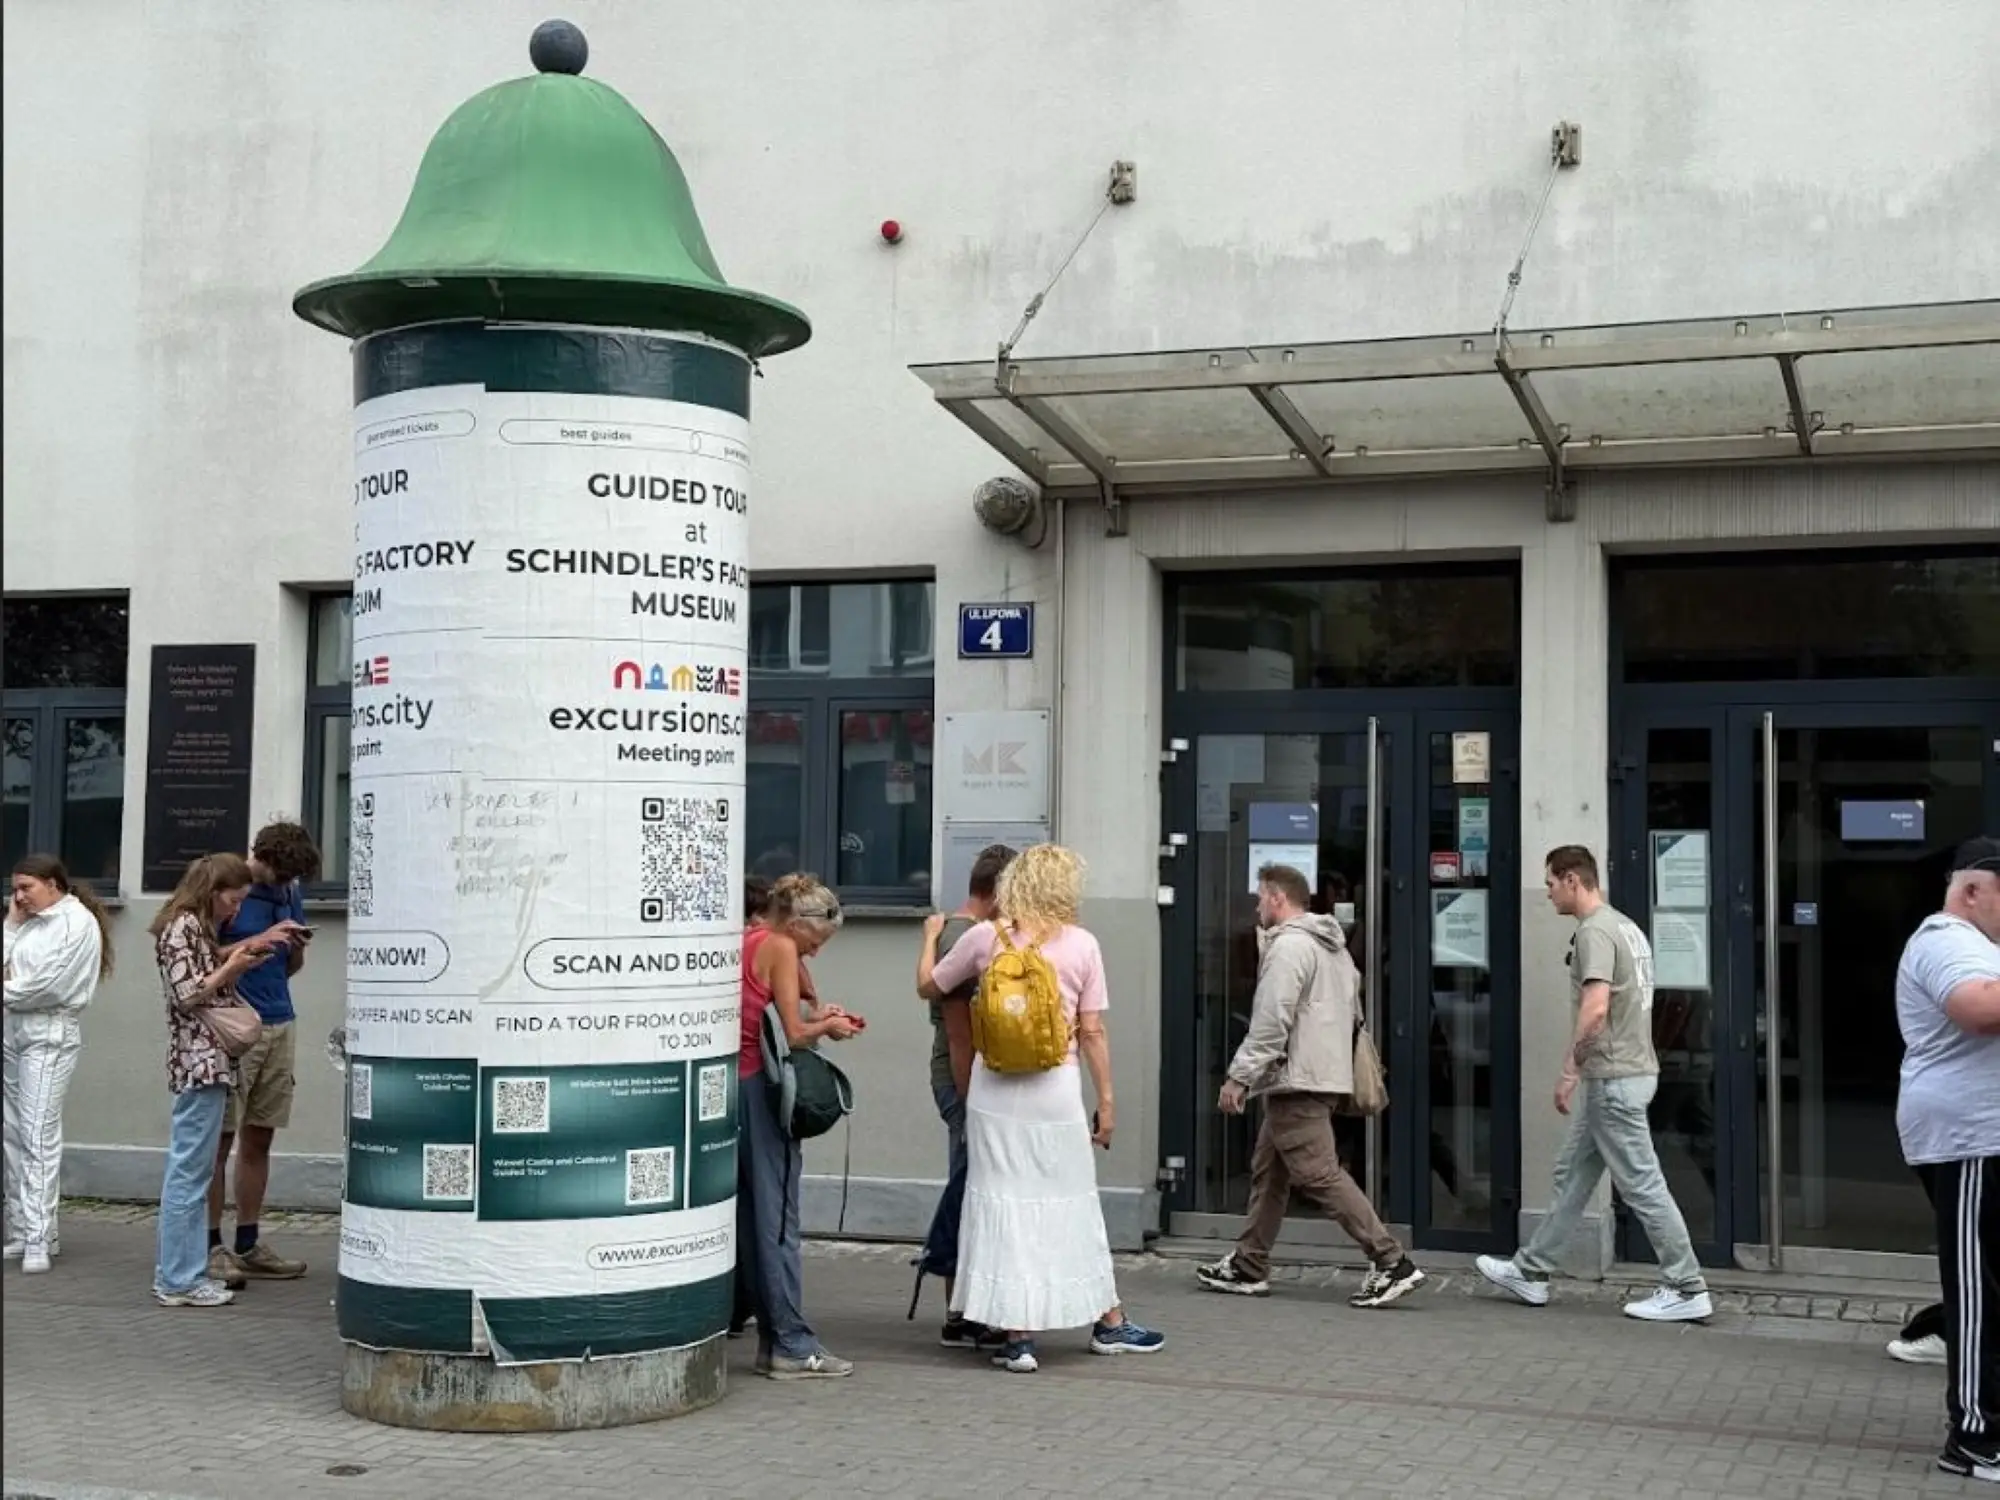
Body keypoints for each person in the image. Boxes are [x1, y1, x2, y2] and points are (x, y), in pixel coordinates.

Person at [919, 843, 1166, 1374]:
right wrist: (1107, 1102)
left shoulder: (986, 938)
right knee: (1071, 1204)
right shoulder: (1082, 944)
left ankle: (1018, 1338)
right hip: (1055, 1091)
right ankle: (1109, 1322)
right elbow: (1093, 1032)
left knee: (1003, 1205)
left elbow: (929, 988)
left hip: (993, 1091)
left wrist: (928, 939)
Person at [1477, 845, 1712, 1323]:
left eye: (1550, 883)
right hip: (1625, 1073)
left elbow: (1597, 1007)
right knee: (1573, 1174)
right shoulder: (1625, 927)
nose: (1547, 893)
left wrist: (1570, 1070)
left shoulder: (1595, 932)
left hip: (1614, 1079)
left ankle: (1687, 1285)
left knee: (1642, 1184)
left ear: (1572, 880)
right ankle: (1531, 1271)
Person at [1196, 864, 1426, 1306]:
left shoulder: (1289, 947)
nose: (1257, 907)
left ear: (1277, 898)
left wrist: (1239, 1077)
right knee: (1270, 1171)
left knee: (1318, 1173)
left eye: (1260, 898)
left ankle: (1391, 1261)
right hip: (1318, 1074)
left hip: (1297, 1078)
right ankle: (1248, 1263)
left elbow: (1271, 1020)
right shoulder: (1333, 948)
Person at [1893, 836, 2000, 1482]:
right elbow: (1978, 1009)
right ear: (1973, 891)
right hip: (1969, 1141)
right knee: (1979, 1290)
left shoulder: (1982, 946)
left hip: (1987, 1139)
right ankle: (1976, 1437)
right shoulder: (1944, 940)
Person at [738, 873, 860, 1378]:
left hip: (736, 1085)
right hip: (762, 1090)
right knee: (778, 1220)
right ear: (796, 923)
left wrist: (817, 1015)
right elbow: (792, 1035)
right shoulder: (781, 946)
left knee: (753, 1216)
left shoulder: (748, 937)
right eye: (817, 939)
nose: (816, 950)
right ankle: (789, 1342)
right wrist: (828, 1026)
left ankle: (774, 1337)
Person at [150, 854, 279, 1308]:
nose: (236, 910)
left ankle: (183, 1274)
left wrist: (234, 958)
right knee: (189, 1172)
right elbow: (187, 994)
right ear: (211, 891)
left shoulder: (190, 926)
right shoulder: (183, 925)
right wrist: (232, 968)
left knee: (194, 1170)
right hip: (199, 1059)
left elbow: (194, 973)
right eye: (233, 900)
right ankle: (177, 1279)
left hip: (204, 1060)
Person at [908, 843, 1016, 1347]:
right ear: (998, 892)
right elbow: (958, 1034)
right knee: (968, 1186)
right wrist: (974, 1104)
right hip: (962, 1079)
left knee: (970, 1184)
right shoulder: (964, 937)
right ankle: (960, 1312)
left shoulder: (957, 931)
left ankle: (964, 1310)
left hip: (965, 1076)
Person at [207, 820, 320, 1288]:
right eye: (281, 874)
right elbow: (203, 958)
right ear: (262, 858)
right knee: (219, 1141)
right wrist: (261, 938)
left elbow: (286, 967)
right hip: (234, 1026)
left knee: (260, 1137)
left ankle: (248, 1242)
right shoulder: (227, 887)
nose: (285, 884)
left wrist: (293, 947)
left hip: (279, 1020)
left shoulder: (288, 892)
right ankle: (210, 1247)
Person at [4, 855, 113, 1272]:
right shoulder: (27, 923)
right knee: (13, 1132)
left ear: (52, 884)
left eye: (26, 888)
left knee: (37, 1134)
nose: (19, 896)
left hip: (49, 1033)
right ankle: (22, 1229)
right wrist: (11, 925)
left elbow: (47, 987)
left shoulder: (76, 923)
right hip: (13, 1029)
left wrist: (9, 987)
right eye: (15, 889)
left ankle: (39, 1236)